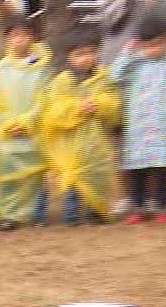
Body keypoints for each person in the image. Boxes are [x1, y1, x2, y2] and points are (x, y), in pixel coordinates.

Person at [109, 14, 166, 225]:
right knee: (137, 170)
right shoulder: (135, 64)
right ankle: (137, 206)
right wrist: (128, 52)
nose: (153, 49)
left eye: (158, 44)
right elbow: (114, 76)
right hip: (138, 128)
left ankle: (162, 205)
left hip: (164, 126)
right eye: (147, 45)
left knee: (162, 169)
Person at [40, 27, 121, 226]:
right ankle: (71, 213)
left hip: (96, 142)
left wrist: (99, 104)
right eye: (80, 54)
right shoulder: (61, 81)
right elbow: (54, 109)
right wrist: (78, 108)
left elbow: (113, 101)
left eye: (91, 52)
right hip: (72, 141)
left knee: (97, 172)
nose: (86, 58)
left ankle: (96, 210)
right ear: (69, 57)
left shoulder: (104, 77)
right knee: (72, 176)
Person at [0, 18, 52, 229]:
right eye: (14, 35)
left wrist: (27, 121)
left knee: (35, 170)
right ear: (7, 39)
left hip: (34, 129)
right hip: (8, 132)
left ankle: (37, 212)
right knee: (8, 172)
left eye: (24, 35)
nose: (19, 40)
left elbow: (45, 98)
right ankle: (9, 215)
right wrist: (8, 124)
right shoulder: (1, 68)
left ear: (32, 37)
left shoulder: (41, 67)